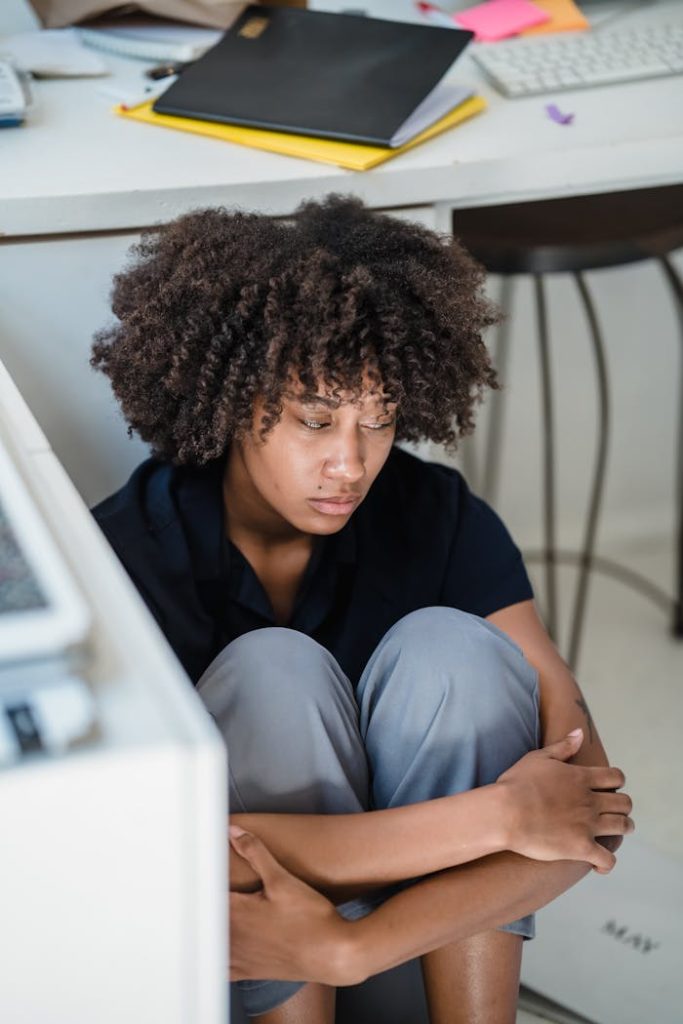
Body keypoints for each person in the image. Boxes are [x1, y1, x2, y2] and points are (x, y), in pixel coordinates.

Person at [91, 195, 633, 1024]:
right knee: (276, 670)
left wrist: (355, 947)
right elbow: (158, 853)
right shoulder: (130, 554)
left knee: (455, 651)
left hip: (411, 944)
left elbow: (586, 815)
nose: (349, 462)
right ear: (235, 403)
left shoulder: (436, 516)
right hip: (235, 956)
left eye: (377, 423)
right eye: (315, 420)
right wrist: (497, 815)